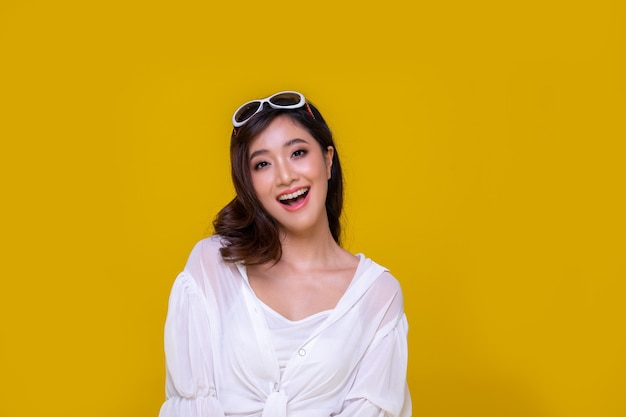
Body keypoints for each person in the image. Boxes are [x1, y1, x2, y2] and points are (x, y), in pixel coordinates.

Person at [158, 91, 411, 417]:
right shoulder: (212, 266)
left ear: (328, 159)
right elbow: (190, 406)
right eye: (262, 164)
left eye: (298, 153)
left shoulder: (378, 295)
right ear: (248, 183)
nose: (285, 177)